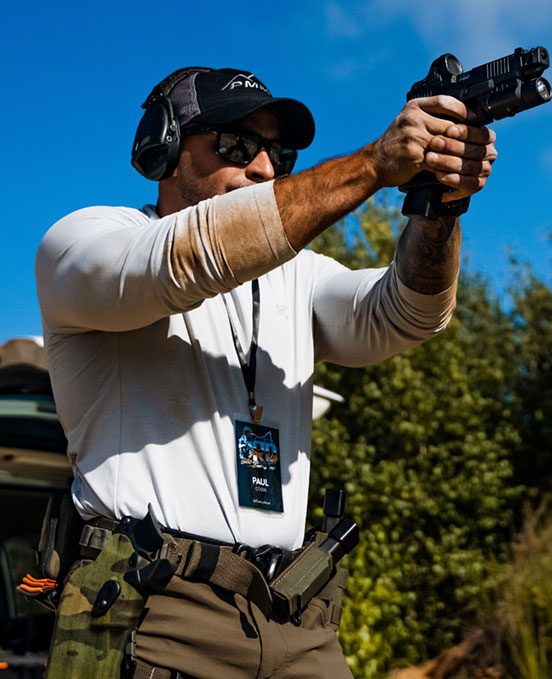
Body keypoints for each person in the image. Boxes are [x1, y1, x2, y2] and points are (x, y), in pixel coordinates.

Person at [35, 67, 497, 679]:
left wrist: (438, 205)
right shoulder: (86, 241)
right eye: (235, 146)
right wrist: (373, 165)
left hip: (291, 613)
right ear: (163, 147)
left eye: (278, 153)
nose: (262, 168)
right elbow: (185, 257)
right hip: (154, 609)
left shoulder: (296, 277)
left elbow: (406, 314)